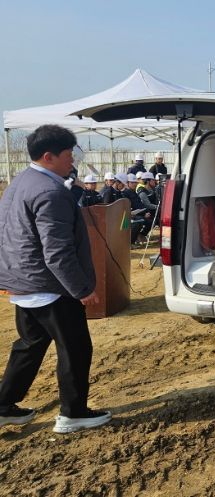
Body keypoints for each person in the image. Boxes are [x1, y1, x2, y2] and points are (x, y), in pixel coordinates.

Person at [0, 124, 111, 433]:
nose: (72, 161)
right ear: (48, 157)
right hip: (51, 287)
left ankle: (3, 405)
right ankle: (73, 414)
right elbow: (57, 252)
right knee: (75, 348)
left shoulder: (21, 181)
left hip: (24, 282)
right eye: (68, 155)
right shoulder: (50, 192)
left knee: (30, 344)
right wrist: (82, 289)